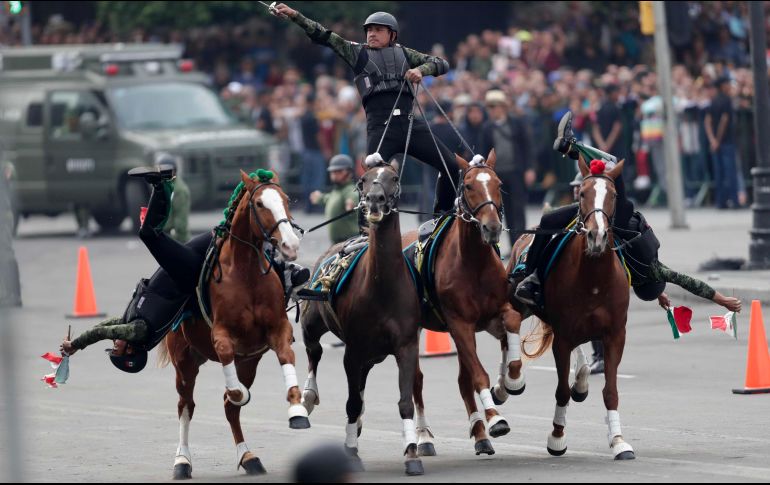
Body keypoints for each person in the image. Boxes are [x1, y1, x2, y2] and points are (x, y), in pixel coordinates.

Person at [61, 166, 310, 372]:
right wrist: (77, 346)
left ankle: (282, 265)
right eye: (115, 350)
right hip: (185, 274)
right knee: (149, 235)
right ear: (129, 352)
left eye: (113, 347)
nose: (114, 344)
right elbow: (107, 331)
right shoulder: (140, 334)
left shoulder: (129, 323)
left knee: (230, 234)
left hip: (184, 266)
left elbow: (105, 326)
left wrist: (76, 342)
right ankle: (162, 185)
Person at [513, 112, 741, 317]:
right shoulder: (644, 273)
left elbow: (687, 282)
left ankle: (531, 275)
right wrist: (718, 299)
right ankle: (531, 277)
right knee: (606, 170)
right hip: (615, 216)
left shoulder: (653, 269)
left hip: (613, 214)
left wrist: (721, 299)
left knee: (549, 218)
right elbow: (688, 283)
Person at [273, 4, 458, 214]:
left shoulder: (406, 54)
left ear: (392, 34)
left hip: (410, 125)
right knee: (371, 184)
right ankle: (365, 234)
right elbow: (323, 35)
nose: (372, 34)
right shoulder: (356, 52)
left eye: (378, 30)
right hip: (380, 129)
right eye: (369, 30)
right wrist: (295, 15)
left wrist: (421, 70)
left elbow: (442, 63)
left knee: (451, 165)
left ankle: (443, 214)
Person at [481, 89, 534, 244]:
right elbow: (484, 151)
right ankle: (508, 242)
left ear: (503, 107)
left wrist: (530, 168)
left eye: (494, 106)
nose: (491, 110)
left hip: (516, 172)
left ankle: (520, 243)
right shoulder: (486, 128)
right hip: (497, 175)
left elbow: (527, 147)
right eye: (489, 107)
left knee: (518, 210)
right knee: (502, 210)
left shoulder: (516, 123)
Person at [309, 154, 360, 244]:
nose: (334, 174)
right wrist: (320, 198)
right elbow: (328, 199)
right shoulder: (336, 191)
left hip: (350, 242)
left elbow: (353, 196)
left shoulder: (349, 189)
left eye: (339, 171)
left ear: (349, 172)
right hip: (337, 243)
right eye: (333, 172)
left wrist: (351, 203)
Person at [705, 76, 739, 209]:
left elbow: (707, 121)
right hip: (726, 141)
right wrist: (718, 140)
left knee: (719, 173)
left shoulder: (713, 101)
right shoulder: (726, 100)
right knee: (730, 172)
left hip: (716, 143)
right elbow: (724, 121)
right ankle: (734, 201)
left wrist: (712, 140)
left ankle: (721, 202)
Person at [155, 154, 190, 243]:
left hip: (175, 239)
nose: (161, 172)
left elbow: (181, 221)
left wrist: (174, 242)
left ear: (173, 171)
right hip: (163, 234)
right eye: (160, 169)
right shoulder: (165, 184)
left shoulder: (179, 190)